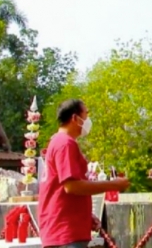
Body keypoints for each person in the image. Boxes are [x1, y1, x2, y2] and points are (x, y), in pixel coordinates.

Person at [39, 99, 130, 248]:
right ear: (75, 118)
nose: (88, 120)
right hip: (65, 233)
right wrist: (113, 184)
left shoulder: (58, 142)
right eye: (86, 115)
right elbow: (71, 186)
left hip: (64, 229)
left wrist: (85, 216)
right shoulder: (65, 144)